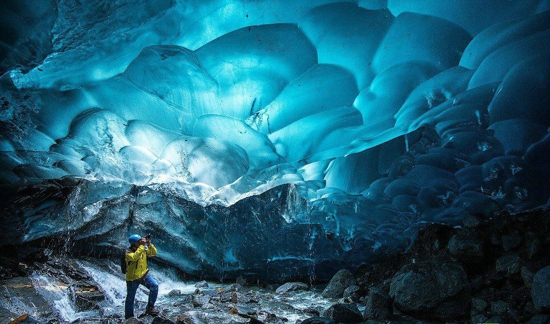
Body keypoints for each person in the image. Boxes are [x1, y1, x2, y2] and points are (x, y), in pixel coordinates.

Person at [125, 234, 159, 319]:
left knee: (154, 286)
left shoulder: (143, 248)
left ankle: (150, 307)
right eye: (139, 241)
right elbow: (135, 257)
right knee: (130, 297)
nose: (141, 242)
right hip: (133, 278)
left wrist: (149, 244)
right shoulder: (128, 252)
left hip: (143, 275)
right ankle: (129, 317)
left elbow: (153, 253)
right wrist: (142, 246)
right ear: (134, 243)